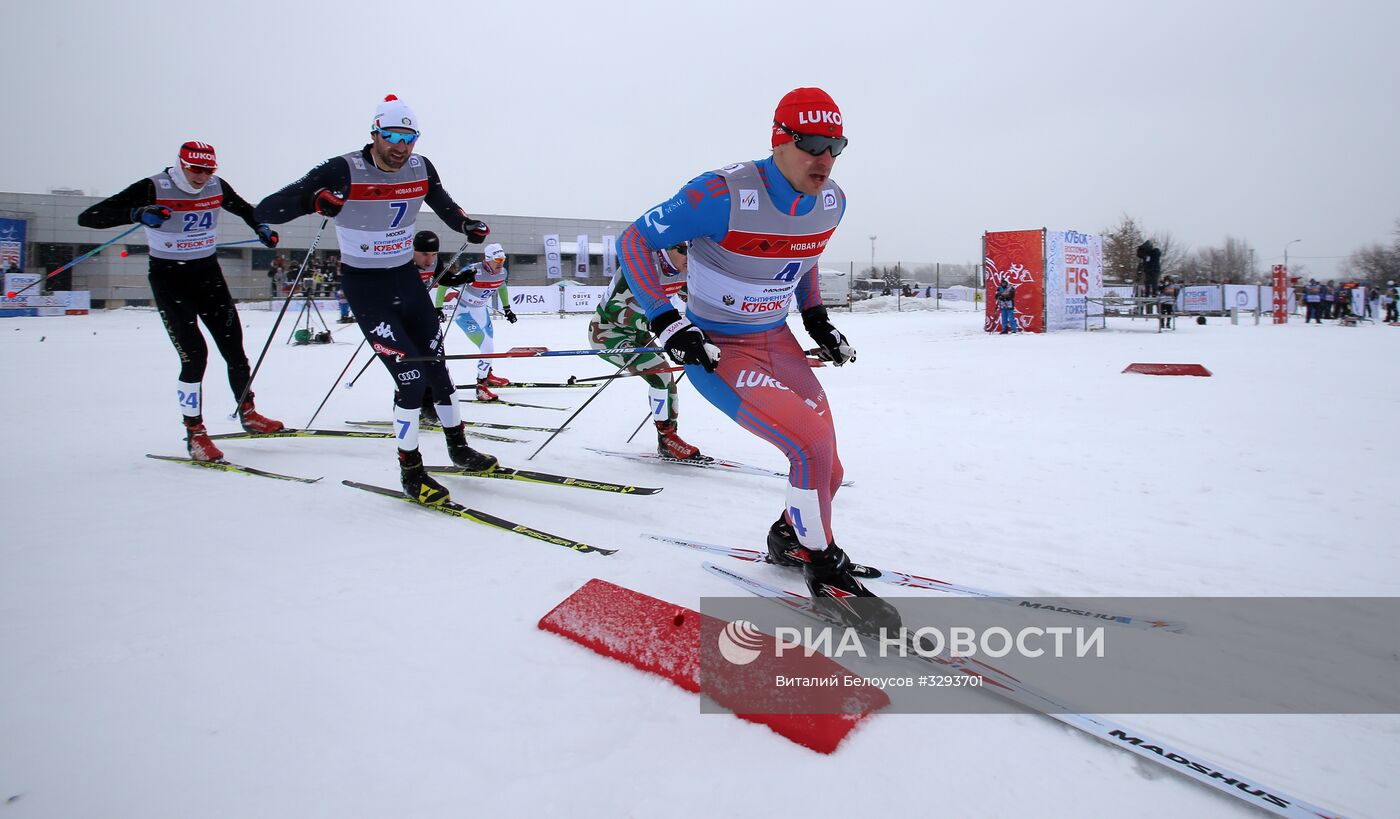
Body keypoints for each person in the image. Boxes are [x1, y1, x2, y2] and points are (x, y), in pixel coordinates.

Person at [615, 86, 898, 630]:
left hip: (778, 340)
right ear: (779, 140)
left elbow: (806, 254)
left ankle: (790, 539)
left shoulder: (832, 201)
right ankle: (826, 570)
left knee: (828, 469)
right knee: (809, 444)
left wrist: (815, 318)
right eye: (812, 142)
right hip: (718, 348)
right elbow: (634, 240)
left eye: (836, 144)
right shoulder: (720, 194)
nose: (825, 157)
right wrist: (663, 317)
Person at [254, 94, 497, 505]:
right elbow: (266, 209)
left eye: (409, 138)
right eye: (391, 136)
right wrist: (312, 201)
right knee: (410, 377)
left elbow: (444, 204)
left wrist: (465, 224)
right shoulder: (343, 169)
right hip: (366, 285)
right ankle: (411, 471)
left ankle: (458, 448)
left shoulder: (421, 167)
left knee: (436, 368)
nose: (400, 147)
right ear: (374, 134)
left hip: (404, 278)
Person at [77, 140, 284, 462]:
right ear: (181, 165)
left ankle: (249, 412)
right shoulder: (153, 187)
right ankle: (195, 433)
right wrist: (137, 213)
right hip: (170, 278)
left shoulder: (216, 185)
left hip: (207, 274)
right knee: (194, 357)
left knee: (235, 348)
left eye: (208, 170)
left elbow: (244, 208)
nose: (201, 177)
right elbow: (89, 217)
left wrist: (260, 226)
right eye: (195, 170)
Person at [588, 241, 707, 460]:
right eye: (682, 249)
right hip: (608, 333)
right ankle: (667, 438)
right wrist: (665, 328)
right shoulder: (641, 267)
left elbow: (693, 297)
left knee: (665, 378)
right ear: (665, 249)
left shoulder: (685, 269)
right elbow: (616, 311)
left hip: (639, 332)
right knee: (660, 375)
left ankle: (668, 437)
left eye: (692, 250)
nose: (688, 255)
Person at [435, 242, 517, 401]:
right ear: (488, 260)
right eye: (497, 260)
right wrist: (438, 308)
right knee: (487, 345)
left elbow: (501, 287)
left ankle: (487, 374)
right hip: (464, 312)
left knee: (489, 344)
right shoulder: (473, 271)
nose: (501, 263)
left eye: (503, 259)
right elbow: (444, 284)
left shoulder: (502, 272)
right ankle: (481, 387)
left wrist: (507, 308)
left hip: (480, 311)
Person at [1136, 239, 1162, 306]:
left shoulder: (1154, 253)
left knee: (1154, 282)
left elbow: (1157, 253)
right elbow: (1139, 256)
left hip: (1154, 270)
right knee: (1147, 282)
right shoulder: (1145, 256)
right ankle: (1147, 295)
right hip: (1147, 270)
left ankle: (1154, 294)